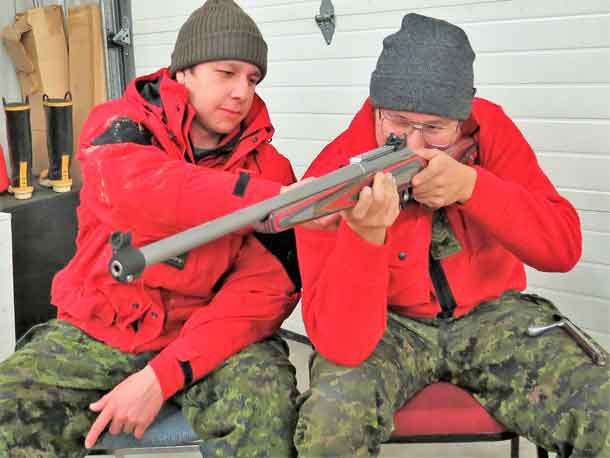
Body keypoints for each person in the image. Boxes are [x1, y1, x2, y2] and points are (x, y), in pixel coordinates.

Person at [294, 13, 610, 458]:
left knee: (601, 404)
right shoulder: (334, 171)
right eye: (398, 124)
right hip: (389, 327)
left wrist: (474, 188)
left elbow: (561, 248)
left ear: (463, 120)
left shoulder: (491, 130)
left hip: (493, 315)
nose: (415, 144)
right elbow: (341, 341)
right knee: (327, 426)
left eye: (434, 128)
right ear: (376, 107)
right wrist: (365, 238)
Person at [0, 1, 302, 456]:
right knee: (11, 409)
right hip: (103, 326)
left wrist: (162, 376)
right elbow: (140, 193)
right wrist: (261, 200)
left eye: (253, 79)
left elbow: (265, 291)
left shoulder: (272, 171)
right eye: (226, 72)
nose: (242, 92)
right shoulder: (119, 126)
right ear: (183, 73)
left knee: (267, 411)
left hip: (207, 333)